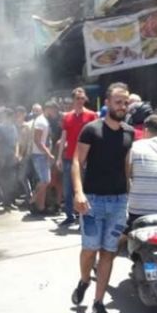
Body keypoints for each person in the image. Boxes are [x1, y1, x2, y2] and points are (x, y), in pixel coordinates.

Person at [71, 82, 134, 313]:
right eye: (118, 102)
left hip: (118, 202)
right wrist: (78, 192)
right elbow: (77, 162)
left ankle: (98, 303)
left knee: (108, 253)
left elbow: (126, 166)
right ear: (107, 103)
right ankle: (85, 280)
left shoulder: (129, 133)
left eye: (126, 102)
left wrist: (130, 195)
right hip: (93, 201)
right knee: (89, 250)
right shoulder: (91, 130)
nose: (123, 106)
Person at [57, 88, 98, 226]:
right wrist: (58, 157)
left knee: (85, 189)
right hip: (69, 157)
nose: (80, 101)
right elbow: (63, 137)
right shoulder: (67, 116)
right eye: (78, 98)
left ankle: (84, 217)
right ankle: (69, 215)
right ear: (73, 100)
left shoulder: (92, 115)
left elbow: (96, 135)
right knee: (68, 189)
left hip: (87, 158)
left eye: (82, 98)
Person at [30, 101, 58, 214]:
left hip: (41, 155)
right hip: (39, 155)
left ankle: (40, 207)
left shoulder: (43, 120)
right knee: (45, 181)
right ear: (48, 108)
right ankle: (33, 201)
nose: (55, 112)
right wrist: (48, 153)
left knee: (44, 181)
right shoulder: (41, 121)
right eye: (54, 109)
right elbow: (37, 140)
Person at [0, 107, 19, 208]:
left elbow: (17, 141)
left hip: (12, 156)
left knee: (11, 180)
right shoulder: (0, 127)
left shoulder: (13, 127)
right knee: (3, 180)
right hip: (3, 157)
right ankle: (3, 201)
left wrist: (17, 154)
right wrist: (0, 156)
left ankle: (9, 202)